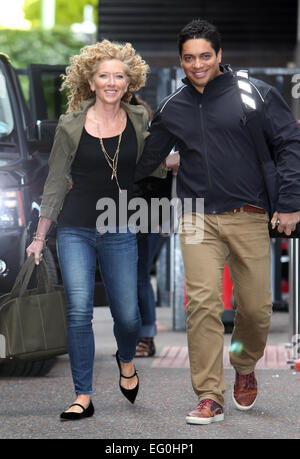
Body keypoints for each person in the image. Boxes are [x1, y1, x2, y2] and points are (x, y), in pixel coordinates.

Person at [134, 18, 300, 424]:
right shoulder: (173, 107)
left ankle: (244, 365)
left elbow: (290, 144)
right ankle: (209, 395)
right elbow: (144, 161)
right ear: (181, 60)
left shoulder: (255, 93)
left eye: (205, 55)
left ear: (219, 55)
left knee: (257, 308)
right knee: (203, 304)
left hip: (249, 214)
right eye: (189, 58)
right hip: (196, 218)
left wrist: (292, 201)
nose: (197, 64)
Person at [26, 39, 166, 421]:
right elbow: (55, 182)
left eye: (119, 76)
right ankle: (82, 395)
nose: (111, 82)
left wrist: (176, 164)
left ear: (129, 82)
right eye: (104, 75)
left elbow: (150, 167)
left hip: (120, 224)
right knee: (78, 313)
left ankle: (126, 359)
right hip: (75, 229)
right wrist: (40, 238)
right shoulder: (70, 126)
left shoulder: (139, 120)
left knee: (128, 316)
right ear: (89, 80)